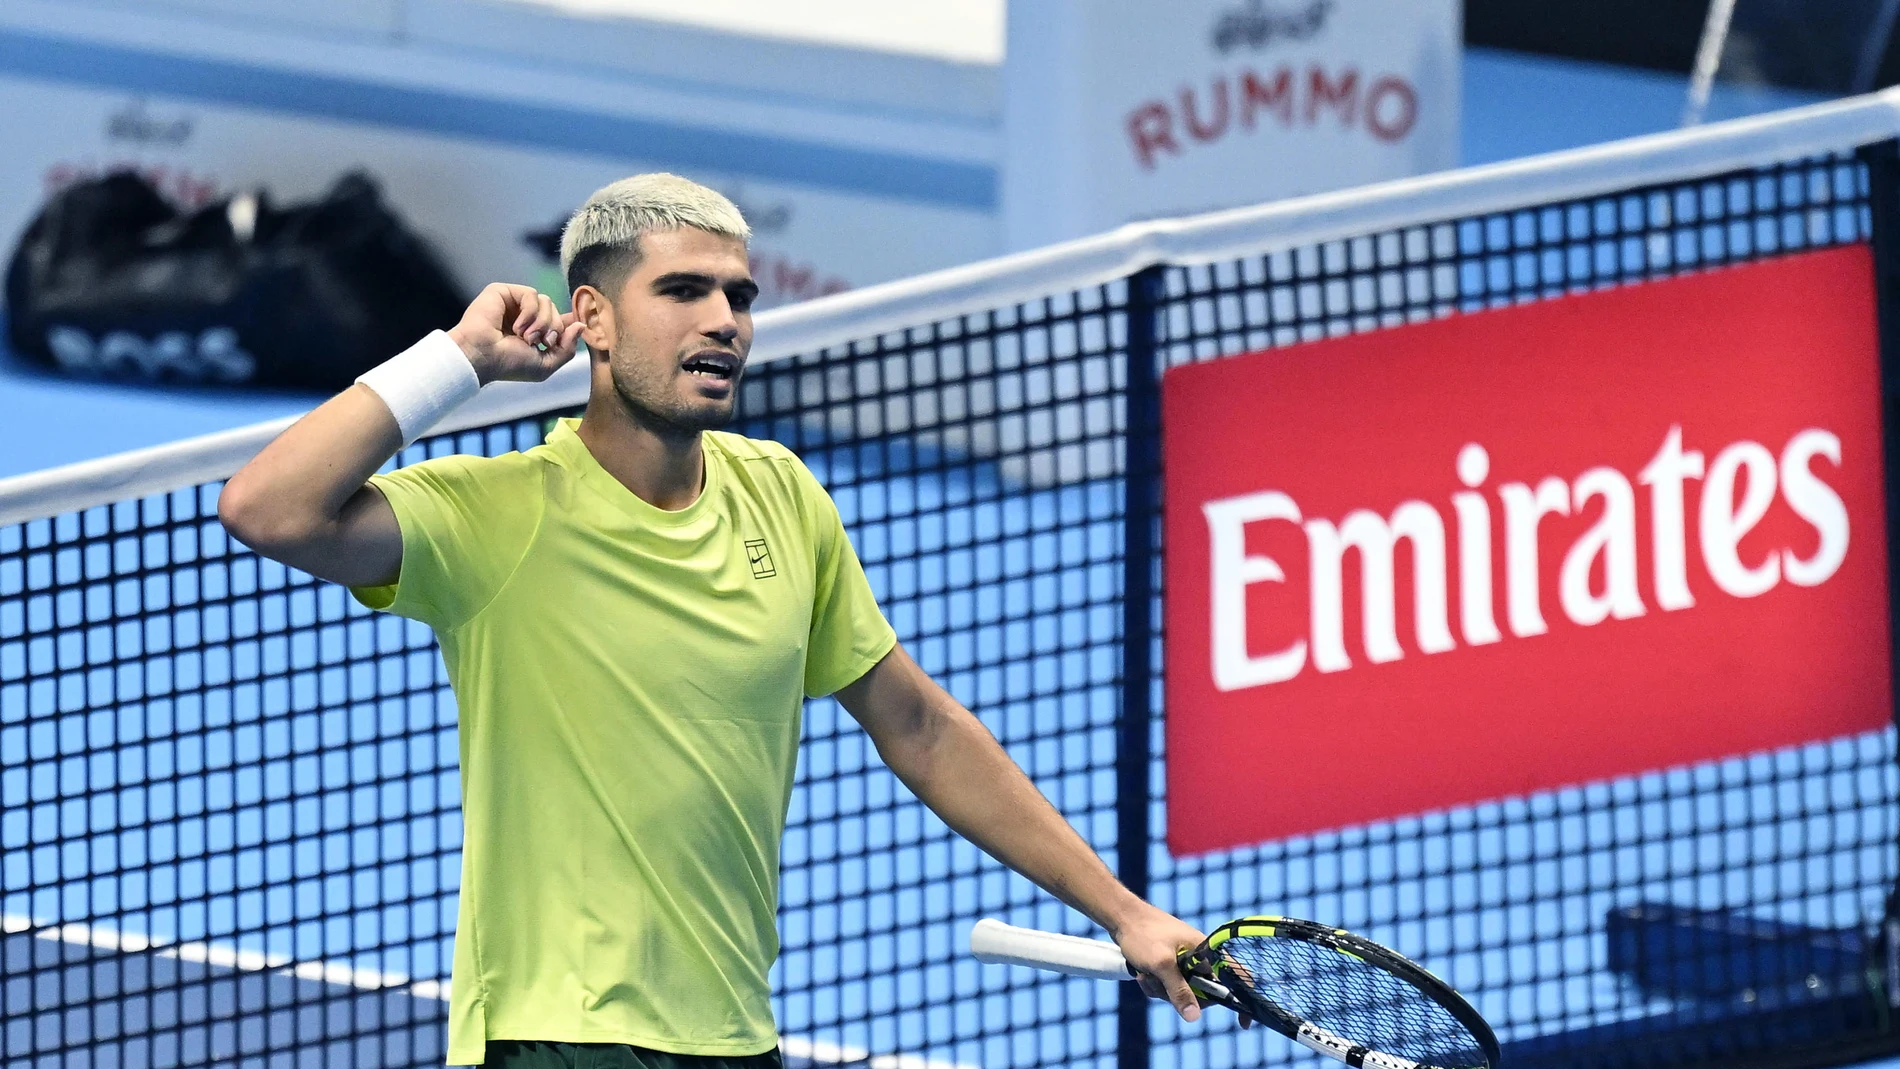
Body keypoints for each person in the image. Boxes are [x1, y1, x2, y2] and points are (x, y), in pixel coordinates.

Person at [218, 173, 1207, 1069]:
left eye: (740, 296)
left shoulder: (782, 494)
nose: (725, 320)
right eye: (684, 291)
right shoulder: (499, 515)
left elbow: (920, 725)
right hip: (561, 1033)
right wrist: (460, 359)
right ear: (594, 319)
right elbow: (267, 508)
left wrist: (1123, 911)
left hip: (732, 1033)